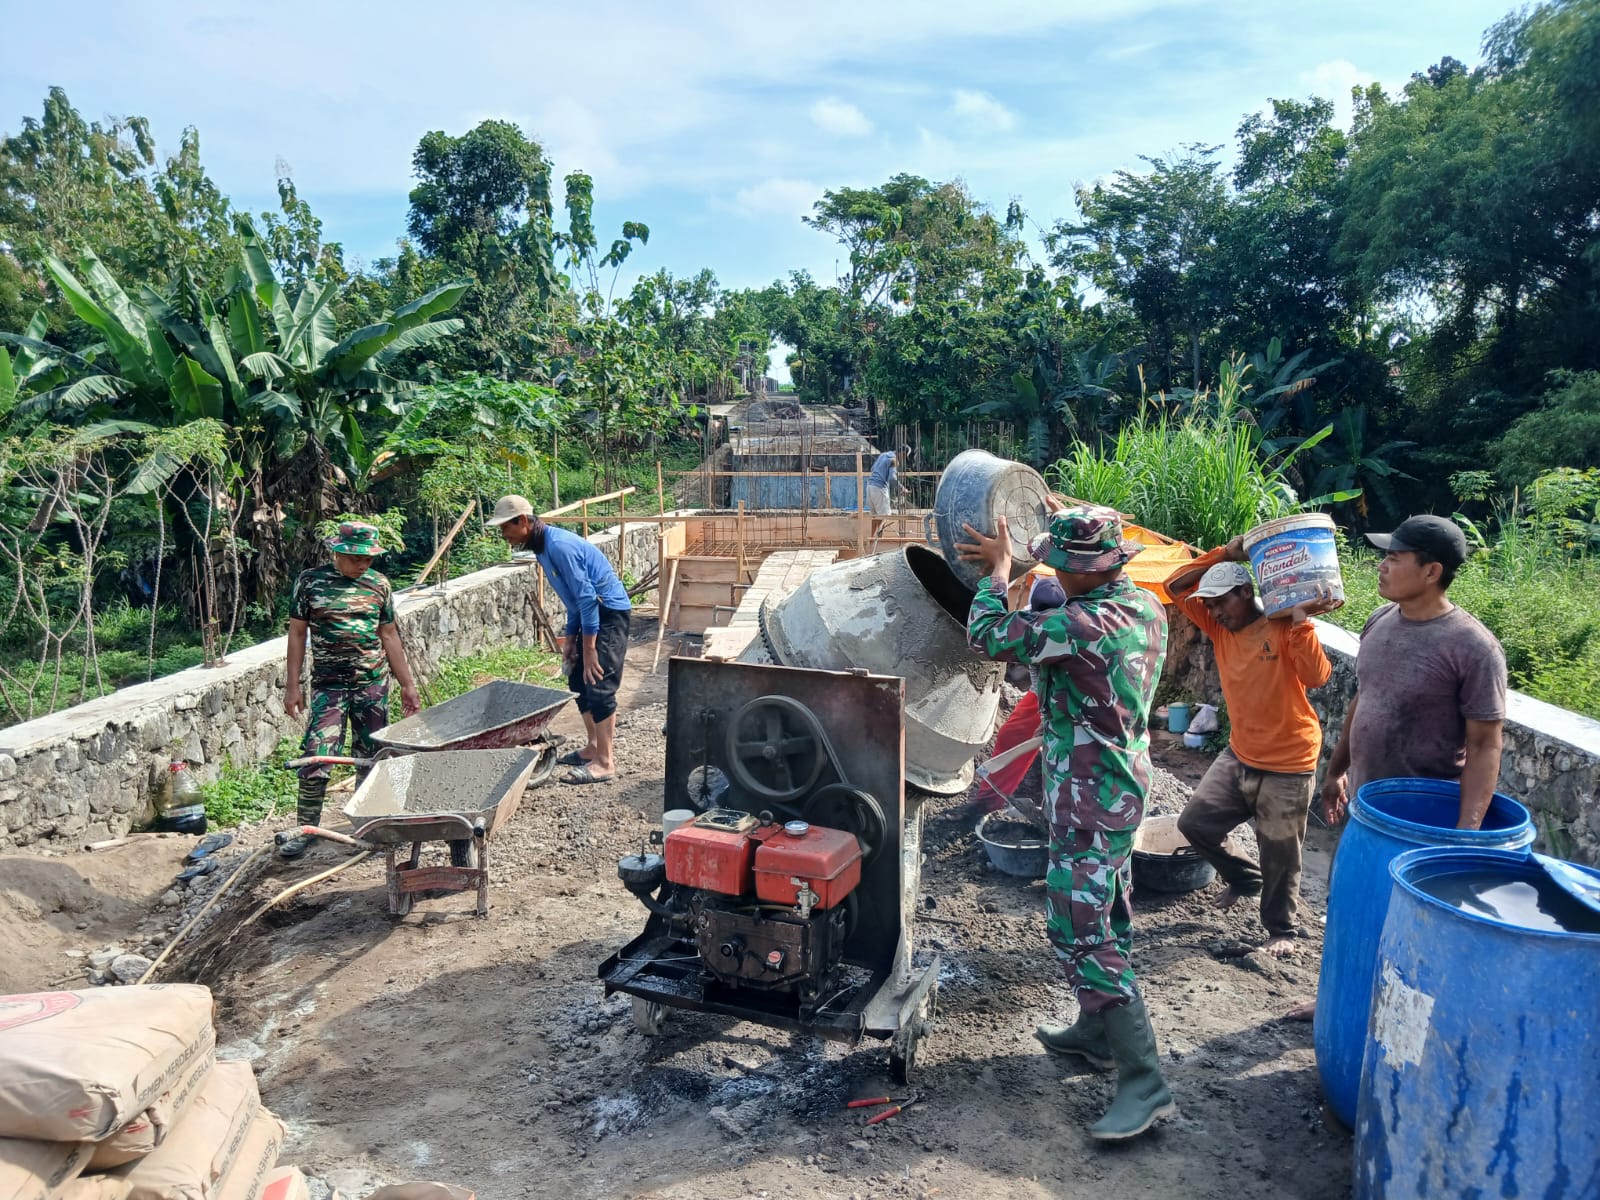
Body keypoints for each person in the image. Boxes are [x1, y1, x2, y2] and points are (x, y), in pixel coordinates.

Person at [960, 503, 1174, 1142]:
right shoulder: (1144, 606)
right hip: (1116, 787)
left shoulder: (1081, 625)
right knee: (1109, 910)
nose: (1051, 569)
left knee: (1080, 926)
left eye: (1058, 562)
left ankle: (1145, 1081)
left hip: (1089, 796)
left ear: (1081, 570)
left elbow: (988, 636)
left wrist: (998, 574)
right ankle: (1095, 1032)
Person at [1285, 514, 1506, 1021]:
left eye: (1393, 557)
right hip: (1367, 808)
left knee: (1408, 927)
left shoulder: (1472, 647)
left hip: (1420, 821)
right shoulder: (1381, 621)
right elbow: (1364, 700)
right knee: (1351, 908)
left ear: (1431, 571)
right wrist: (1336, 770)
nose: (1381, 566)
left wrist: (1465, 835)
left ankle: (1390, 1017)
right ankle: (1336, 999)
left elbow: (1485, 744)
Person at [1165, 543, 1337, 958]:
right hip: (1240, 752)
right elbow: (1174, 586)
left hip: (1289, 760)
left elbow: (1317, 676)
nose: (1214, 611)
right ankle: (1245, 879)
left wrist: (1301, 620)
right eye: (1210, 604)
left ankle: (1282, 929)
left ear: (1246, 592)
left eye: (1221, 601)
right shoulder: (1220, 628)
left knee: (1279, 851)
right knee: (1195, 824)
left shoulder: (1283, 626)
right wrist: (1228, 552)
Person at [281, 522, 420, 861]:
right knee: (317, 754)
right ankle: (304, 829)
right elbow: (297, 634)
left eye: (368, 559)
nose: (363, 565)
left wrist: (407, 684)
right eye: (357, 558)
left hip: (371, 684)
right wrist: (292, 686)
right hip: (329, 687)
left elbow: (389, 635)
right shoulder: (310, 582)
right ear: (337, 553)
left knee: (372, 755)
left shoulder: (379, 584)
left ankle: (369, 824)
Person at [487, 495, 633, 784]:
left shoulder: (559, 546)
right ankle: (593, 747)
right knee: (577, 678)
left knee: (599, 682)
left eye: (505, 527)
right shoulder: (542, 548)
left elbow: (588, 598)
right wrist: (570, 641)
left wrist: (589, 649)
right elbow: (574, 601)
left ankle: (605, 762)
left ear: (523, 521)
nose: (503, 535)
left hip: (608, 612)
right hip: (589, 613)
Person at [865, 445, 909, 547]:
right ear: (902, 453)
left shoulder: (883, 455)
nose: (903, 460)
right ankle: (879, 542)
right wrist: (902, 488)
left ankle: (872, 542)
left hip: (870, 487)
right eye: (904, 457)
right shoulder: (894, 460)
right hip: (879, 488)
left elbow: (873, 468)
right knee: (885, 515)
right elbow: (892, 478)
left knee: (875, 516)